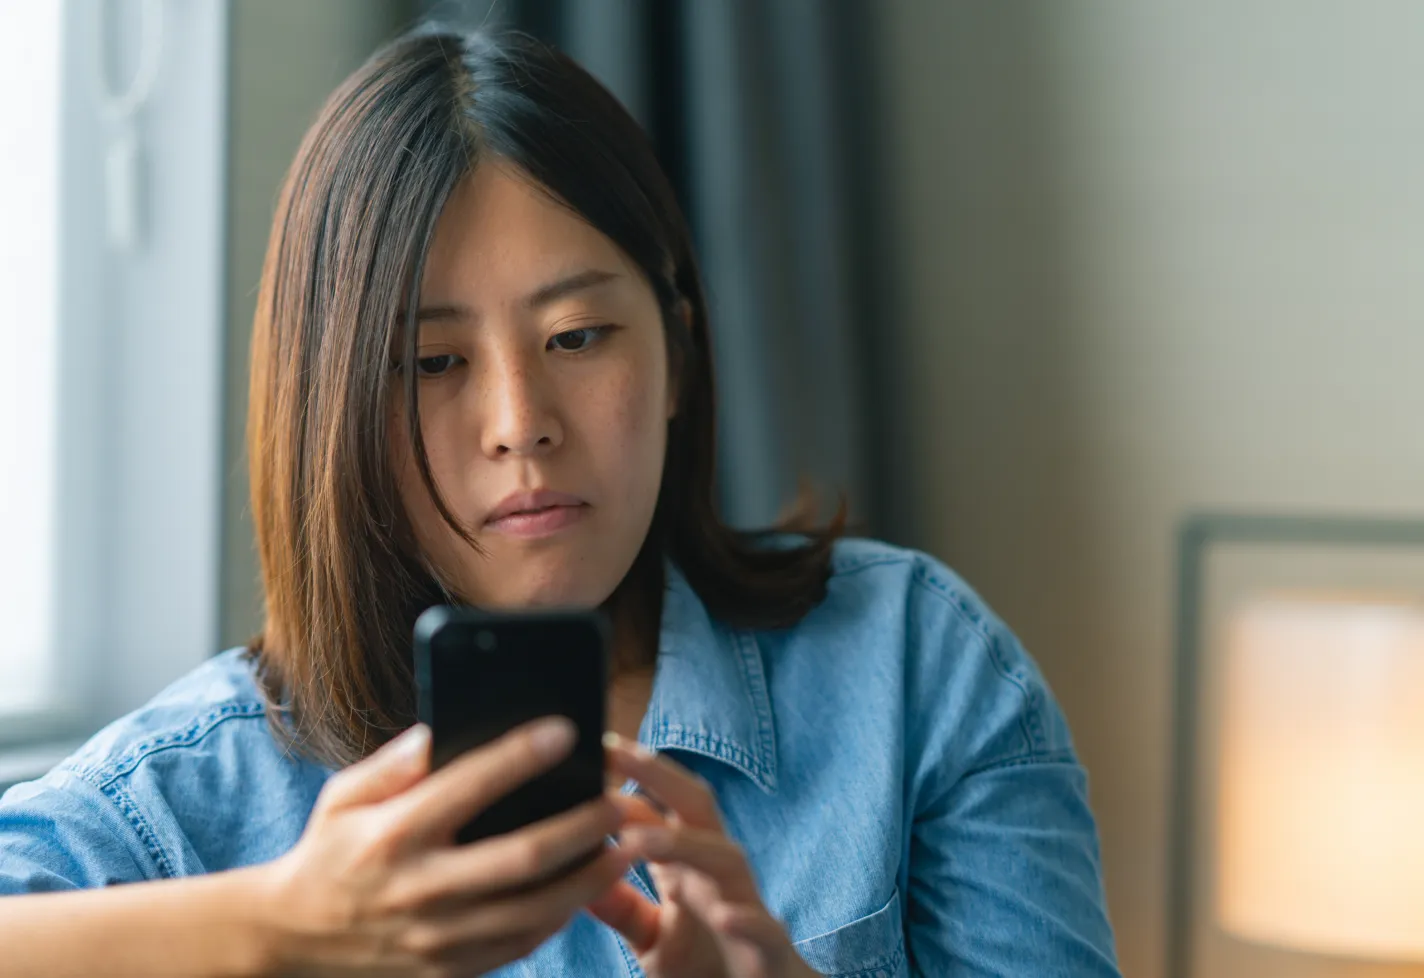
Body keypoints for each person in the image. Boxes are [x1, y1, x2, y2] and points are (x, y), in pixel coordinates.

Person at [0, 27, 1121, 978]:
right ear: (329, 407)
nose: (517, 420)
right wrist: (285, 923)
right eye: (430, 363)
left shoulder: (910, 665)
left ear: (678, 354)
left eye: (577, 337)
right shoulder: (194, 793)